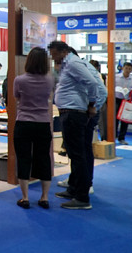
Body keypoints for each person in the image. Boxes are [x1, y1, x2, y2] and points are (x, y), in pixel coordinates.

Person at [48, 40, 98, 210]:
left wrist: (92, 104)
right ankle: (73, 189)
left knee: (78, 155)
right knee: (74, 154)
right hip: (69, 113)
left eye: (54, 54)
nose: (53, 58)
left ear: (63, 51)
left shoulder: (74, 63)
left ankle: (82, 197)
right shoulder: (67, 64)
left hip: (74, 113)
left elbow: (92, 83)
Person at [13, 47, 54, 209]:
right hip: (43, 123)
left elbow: (17, 97)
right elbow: (49, 97)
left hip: (23, 122)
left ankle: (25, 197)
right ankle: (44, 197)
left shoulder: (19, 80)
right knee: (44, 159)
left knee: (23, 158)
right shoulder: (49, 80)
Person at [114, 62, 132, 145]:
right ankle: (113, 136)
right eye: (126, 68)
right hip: (116, 99)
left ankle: (122, 138)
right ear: (122, 68)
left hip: (126, 100)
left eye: (129, 69)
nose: (127, 70)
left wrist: (129, 90)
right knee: (115, 119)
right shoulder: (116, 77)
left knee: (125, 119)